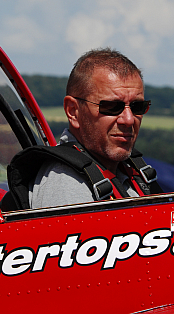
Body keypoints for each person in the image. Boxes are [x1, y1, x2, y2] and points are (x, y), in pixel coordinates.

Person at [25, 48, 161, 209]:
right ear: (73, 111)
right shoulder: (68, 183)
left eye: (138, 106)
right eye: (111, 107)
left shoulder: (134, 174)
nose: (129, 119)